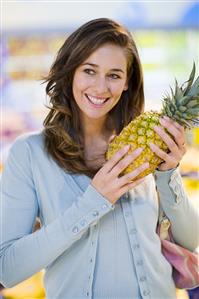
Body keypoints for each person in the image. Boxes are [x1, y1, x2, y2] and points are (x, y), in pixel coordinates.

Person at [0, 18, 198, 299]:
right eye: (89, 71)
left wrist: (168, 173)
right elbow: (7, 269)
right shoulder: (29, 154)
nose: (101, 87)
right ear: (70, 72)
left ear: (128, 82)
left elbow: (190, 241)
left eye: (114, 75)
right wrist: (94, 200)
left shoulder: (148, 144)